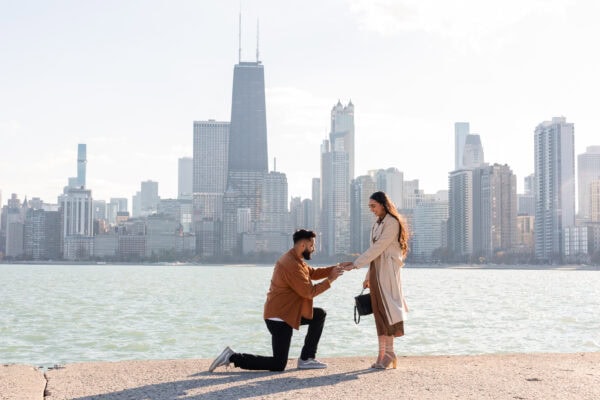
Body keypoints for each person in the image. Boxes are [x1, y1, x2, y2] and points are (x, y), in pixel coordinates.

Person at [208, 229, 351, 372]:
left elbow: (312, 273)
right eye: (312, 245)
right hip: (279, 317)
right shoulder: (291, 264)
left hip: (287, 313)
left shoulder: (295, 259)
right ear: (303, 245)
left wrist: (337, 267)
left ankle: (307, 359)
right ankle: (232, 357)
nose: (313, 249)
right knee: (278, 364)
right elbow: (309, 292)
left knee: (319, 315)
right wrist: (331, 279)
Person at [349, 191, 410, 369]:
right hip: (377, 271)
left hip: (388, 272)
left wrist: (355, 264)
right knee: (379, 314)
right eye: (369, 207)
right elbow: (374, 251)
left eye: (373, 206)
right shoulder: (377, 224)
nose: (372, 210)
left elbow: (379, 247)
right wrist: (368, 275)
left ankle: (390, 353)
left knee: (388, 312)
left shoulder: (392, 222)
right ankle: (382, 353)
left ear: (383, 204)